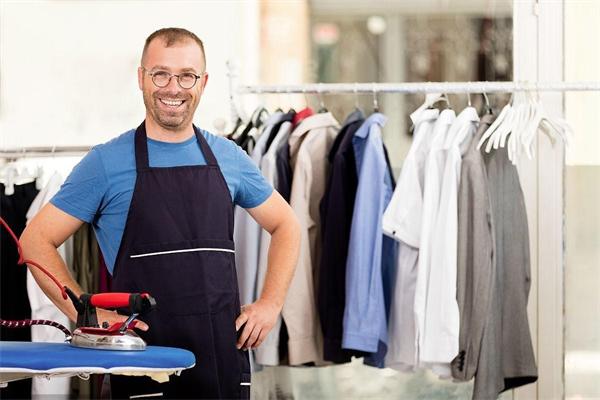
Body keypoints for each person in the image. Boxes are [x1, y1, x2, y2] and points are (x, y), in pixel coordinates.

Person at [20, 27, 301, 399]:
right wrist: (87, 314)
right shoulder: (105, 162)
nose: (174, 88)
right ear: (141, 78)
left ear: (203, 82)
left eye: (187, 76)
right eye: (161, 74)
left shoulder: (229, 157)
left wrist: (270, 303)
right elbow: (35, 241)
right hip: (139, 360)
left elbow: (287, 225)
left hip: (220, 361)